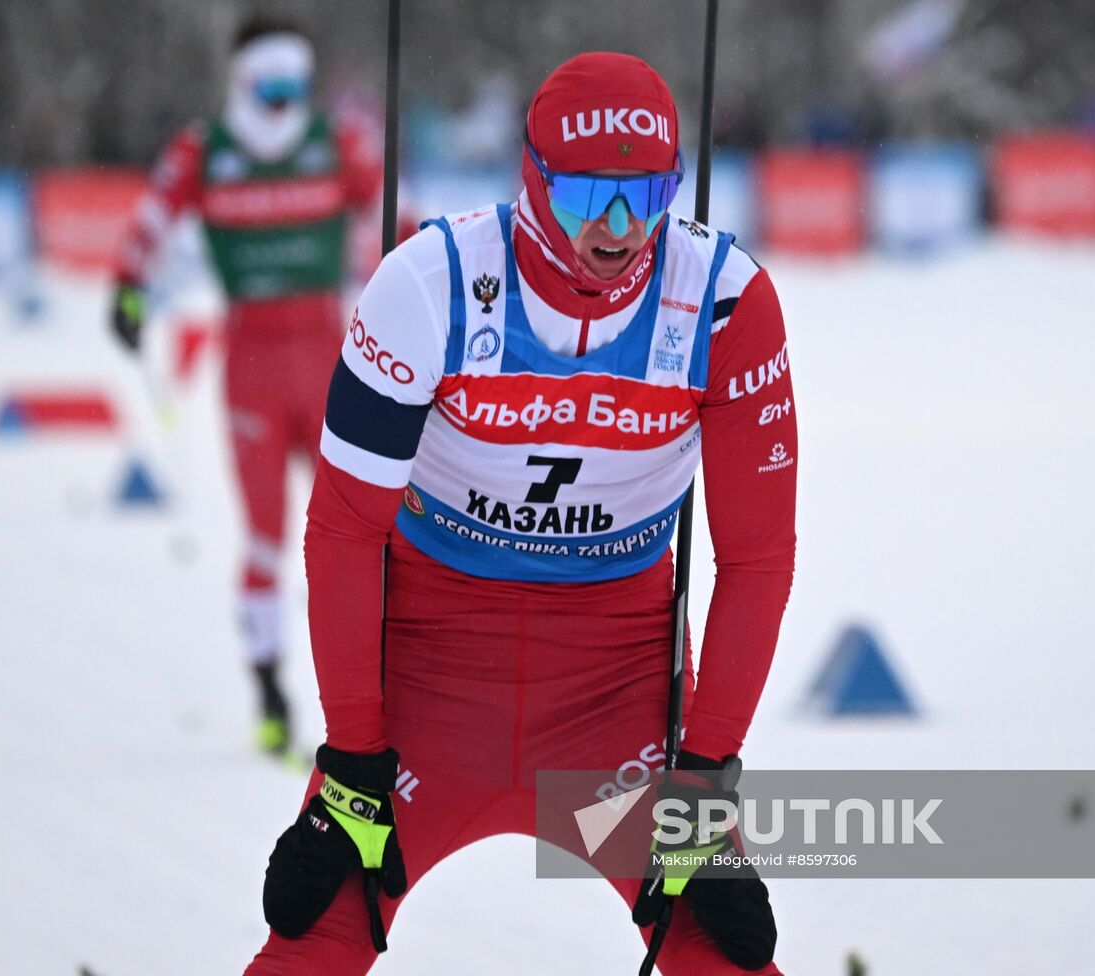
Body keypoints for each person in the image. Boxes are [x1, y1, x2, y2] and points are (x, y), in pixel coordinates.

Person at [250, 52, 797, 974]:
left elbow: (757, 558)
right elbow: (344, 531)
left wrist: (703, 779)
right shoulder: (428, 285)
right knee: (314, 940)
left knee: (719, 952)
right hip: (426, 675)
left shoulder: (724, 302)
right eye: (587, 198)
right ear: (532, 183)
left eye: (647, 196)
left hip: (616, 690)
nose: (619, 230)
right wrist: (351, 759)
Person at [111, 17, 387, 756]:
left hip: (333, 360)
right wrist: (128, 288)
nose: (282, 104)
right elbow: (150, 219)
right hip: (253, 367)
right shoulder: (206, 149)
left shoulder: (340, 142)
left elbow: (394, 219)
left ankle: (378, 697)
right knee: (265, 537)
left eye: (294, 87)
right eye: (269, 88)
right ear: (241, 83)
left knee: (362, 531)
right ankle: (269, 691)